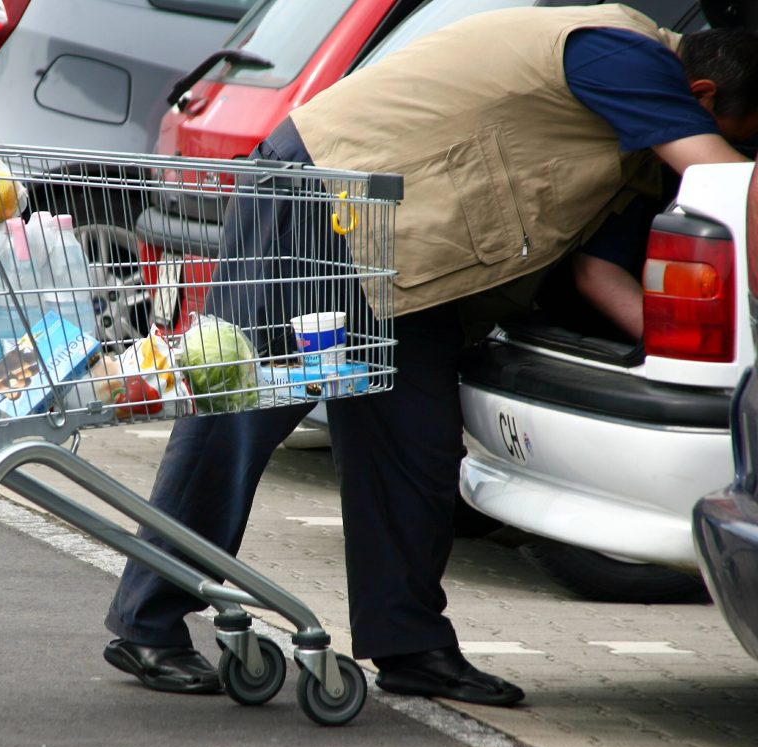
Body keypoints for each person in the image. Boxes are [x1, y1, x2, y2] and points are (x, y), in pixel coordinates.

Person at [101, 4, 758, 706]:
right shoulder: (619, 53)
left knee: (415, 446)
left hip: (411, 253)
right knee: (241, 409)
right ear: (704, 99)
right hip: (327, 194)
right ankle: (148, 622)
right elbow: (726, 181)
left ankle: (409, 645)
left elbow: (599, 272)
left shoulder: (641, 131)